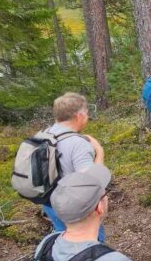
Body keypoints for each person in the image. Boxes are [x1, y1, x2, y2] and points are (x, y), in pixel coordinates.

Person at [39, 93, 108, 242]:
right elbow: (91, 183)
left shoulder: (42, 135)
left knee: (63, 236)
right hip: (76, 207)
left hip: (49, 202)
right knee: (91, 243)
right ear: (80, 115)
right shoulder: (77, 144)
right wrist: (100, 152)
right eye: (87, 113)